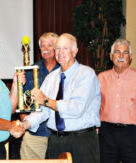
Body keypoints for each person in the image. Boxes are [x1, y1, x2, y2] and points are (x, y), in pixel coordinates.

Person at [22, 33, 101, 163]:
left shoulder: (86, 74)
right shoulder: (51, 78)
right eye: (57, 48)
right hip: (56, 142)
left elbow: (76, 108)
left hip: (82, 141)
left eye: (65, 48)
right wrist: (24, 125)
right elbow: (43, 111)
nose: (60, 52)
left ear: (75, 52)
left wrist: (46, 100)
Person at [20, 32, 60, 159]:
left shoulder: (65, 70)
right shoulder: (30, 71)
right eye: (43, 46)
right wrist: (24, 121)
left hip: (60, 134)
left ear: (57, 48)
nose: (46, 49)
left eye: (49, 45)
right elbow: (23, 99)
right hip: (35, 133)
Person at [98, 39, 136, 163]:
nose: (120, 56)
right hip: (106, 133)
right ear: (111, 56)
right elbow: (94, 105)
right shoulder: (101, 78)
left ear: (130, 57)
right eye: (117, 52)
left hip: (132, 134)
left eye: (125, 53)